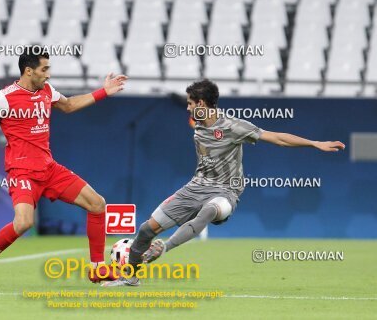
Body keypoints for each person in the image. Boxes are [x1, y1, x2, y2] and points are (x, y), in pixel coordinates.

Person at [102, 79, 345, 287]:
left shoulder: (233, 126)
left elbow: (278, 138)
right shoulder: (197, 122)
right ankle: (131, 278)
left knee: (208, 211)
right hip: (195, 186)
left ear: (201, 104)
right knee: (146, 229)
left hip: (226, 191)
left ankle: (164, 248)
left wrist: (315, 143)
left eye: (190, 103)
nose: (187, 107)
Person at [0, 48, 127, 284]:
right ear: (29, 71)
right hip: (22, 172)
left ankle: (97, 269)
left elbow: (69, 105)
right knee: (24, 223)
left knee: (97, 204)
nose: (48, 75)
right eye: (44, 69)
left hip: (49, 169)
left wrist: (103, 92)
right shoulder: (3, 98)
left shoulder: (46, 91)